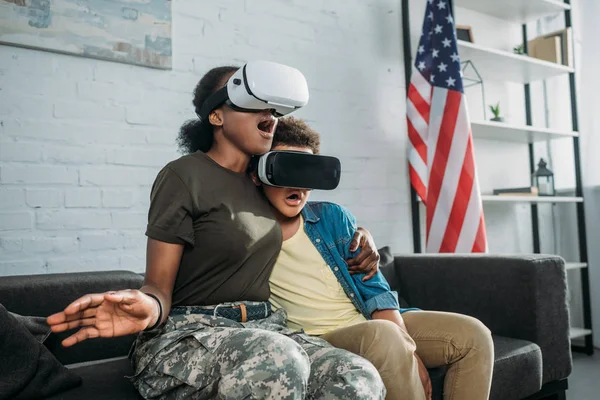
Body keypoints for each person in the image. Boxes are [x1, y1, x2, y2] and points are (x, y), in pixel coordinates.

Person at [46, 64, 386, 400]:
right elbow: (157, 287)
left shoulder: (265, 180)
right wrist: (149, 307)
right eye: (251, 101)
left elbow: (311, 215)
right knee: (279, 358)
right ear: (216, 117)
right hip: (190, 332)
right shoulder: (184, 176)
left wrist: (360, 232)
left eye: (271, 105)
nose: (268, 113)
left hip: (265, 327)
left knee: (356, 375)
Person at [253, 116, 495, 400]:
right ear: (260, 173)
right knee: (384, 336)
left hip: (369, 322)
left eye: (308, 171)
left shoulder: (332, 218)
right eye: (287, 169)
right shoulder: (240, 231)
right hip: (318, 339)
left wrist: (410, 352)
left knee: (474, 336)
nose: (300, 184)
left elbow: (375, 289)